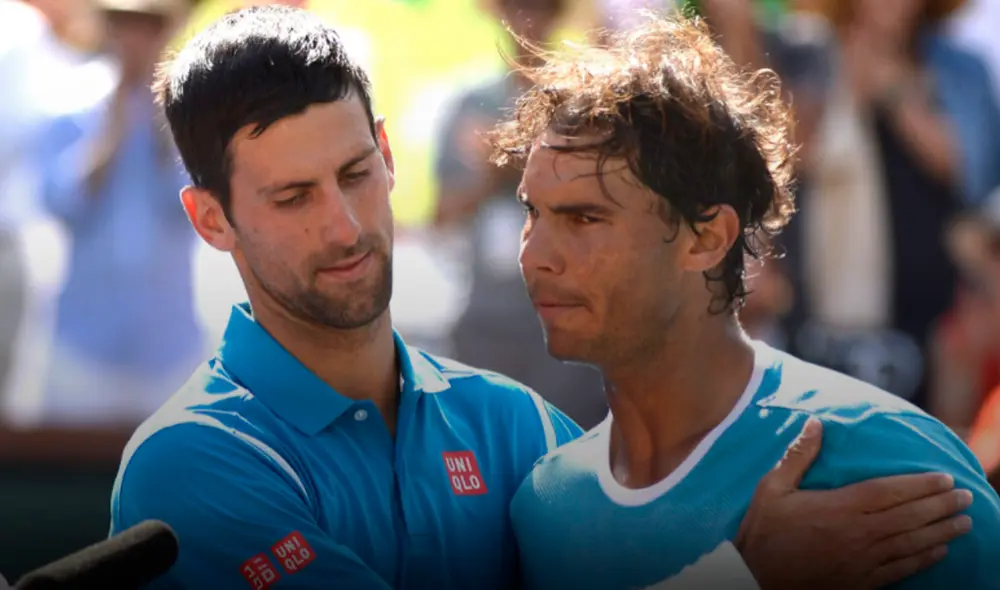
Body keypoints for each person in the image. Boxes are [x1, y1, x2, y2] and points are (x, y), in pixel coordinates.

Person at [112, 6, 972, 589]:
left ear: (387, 153)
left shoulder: (518, 431)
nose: (344, 227)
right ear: (210, 219)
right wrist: (743, 572)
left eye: (353, 174)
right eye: (292, 198)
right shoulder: (190, 463)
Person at [492, 12, 1000, 590]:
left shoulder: (891, 470)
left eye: (584, 218)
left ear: (707, 239)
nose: (535, 256)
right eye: (532, 213)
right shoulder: (544, 505)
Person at [434, 0, 607, 429]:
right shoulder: (471, 101)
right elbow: (443, 213)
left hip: (565, 326)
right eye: (515, 5)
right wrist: (493, 173)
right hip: (487, 318)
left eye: (541, 6)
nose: (527, 17)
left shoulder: (584, 102)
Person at [37, 0, 203, 426]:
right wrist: (113, 125)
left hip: (168, 346)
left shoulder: (192, 112)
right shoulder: (72, 103)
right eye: (126, 23)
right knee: (72, 486)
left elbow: (193, 203)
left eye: (149, 25)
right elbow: (61, 202)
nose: (137, 38)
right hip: (85, 345)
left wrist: (162, 122)